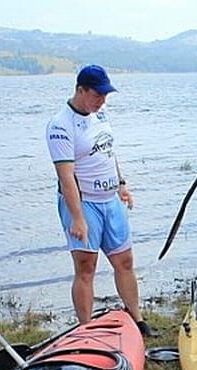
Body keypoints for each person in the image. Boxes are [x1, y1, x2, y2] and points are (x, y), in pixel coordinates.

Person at [45, 64, 153, 336]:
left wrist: (122, 184)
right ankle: (85, 330)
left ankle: (138, 319)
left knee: (125, 261)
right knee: (86, 266)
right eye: (97, 95)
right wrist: (78, 218)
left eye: (105, 95)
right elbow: (66, 177)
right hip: (85, 203)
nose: (102, 100)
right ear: (80, 90)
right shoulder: (60, 125)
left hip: (110, 200)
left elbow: (108, 152)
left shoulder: (101, 115)